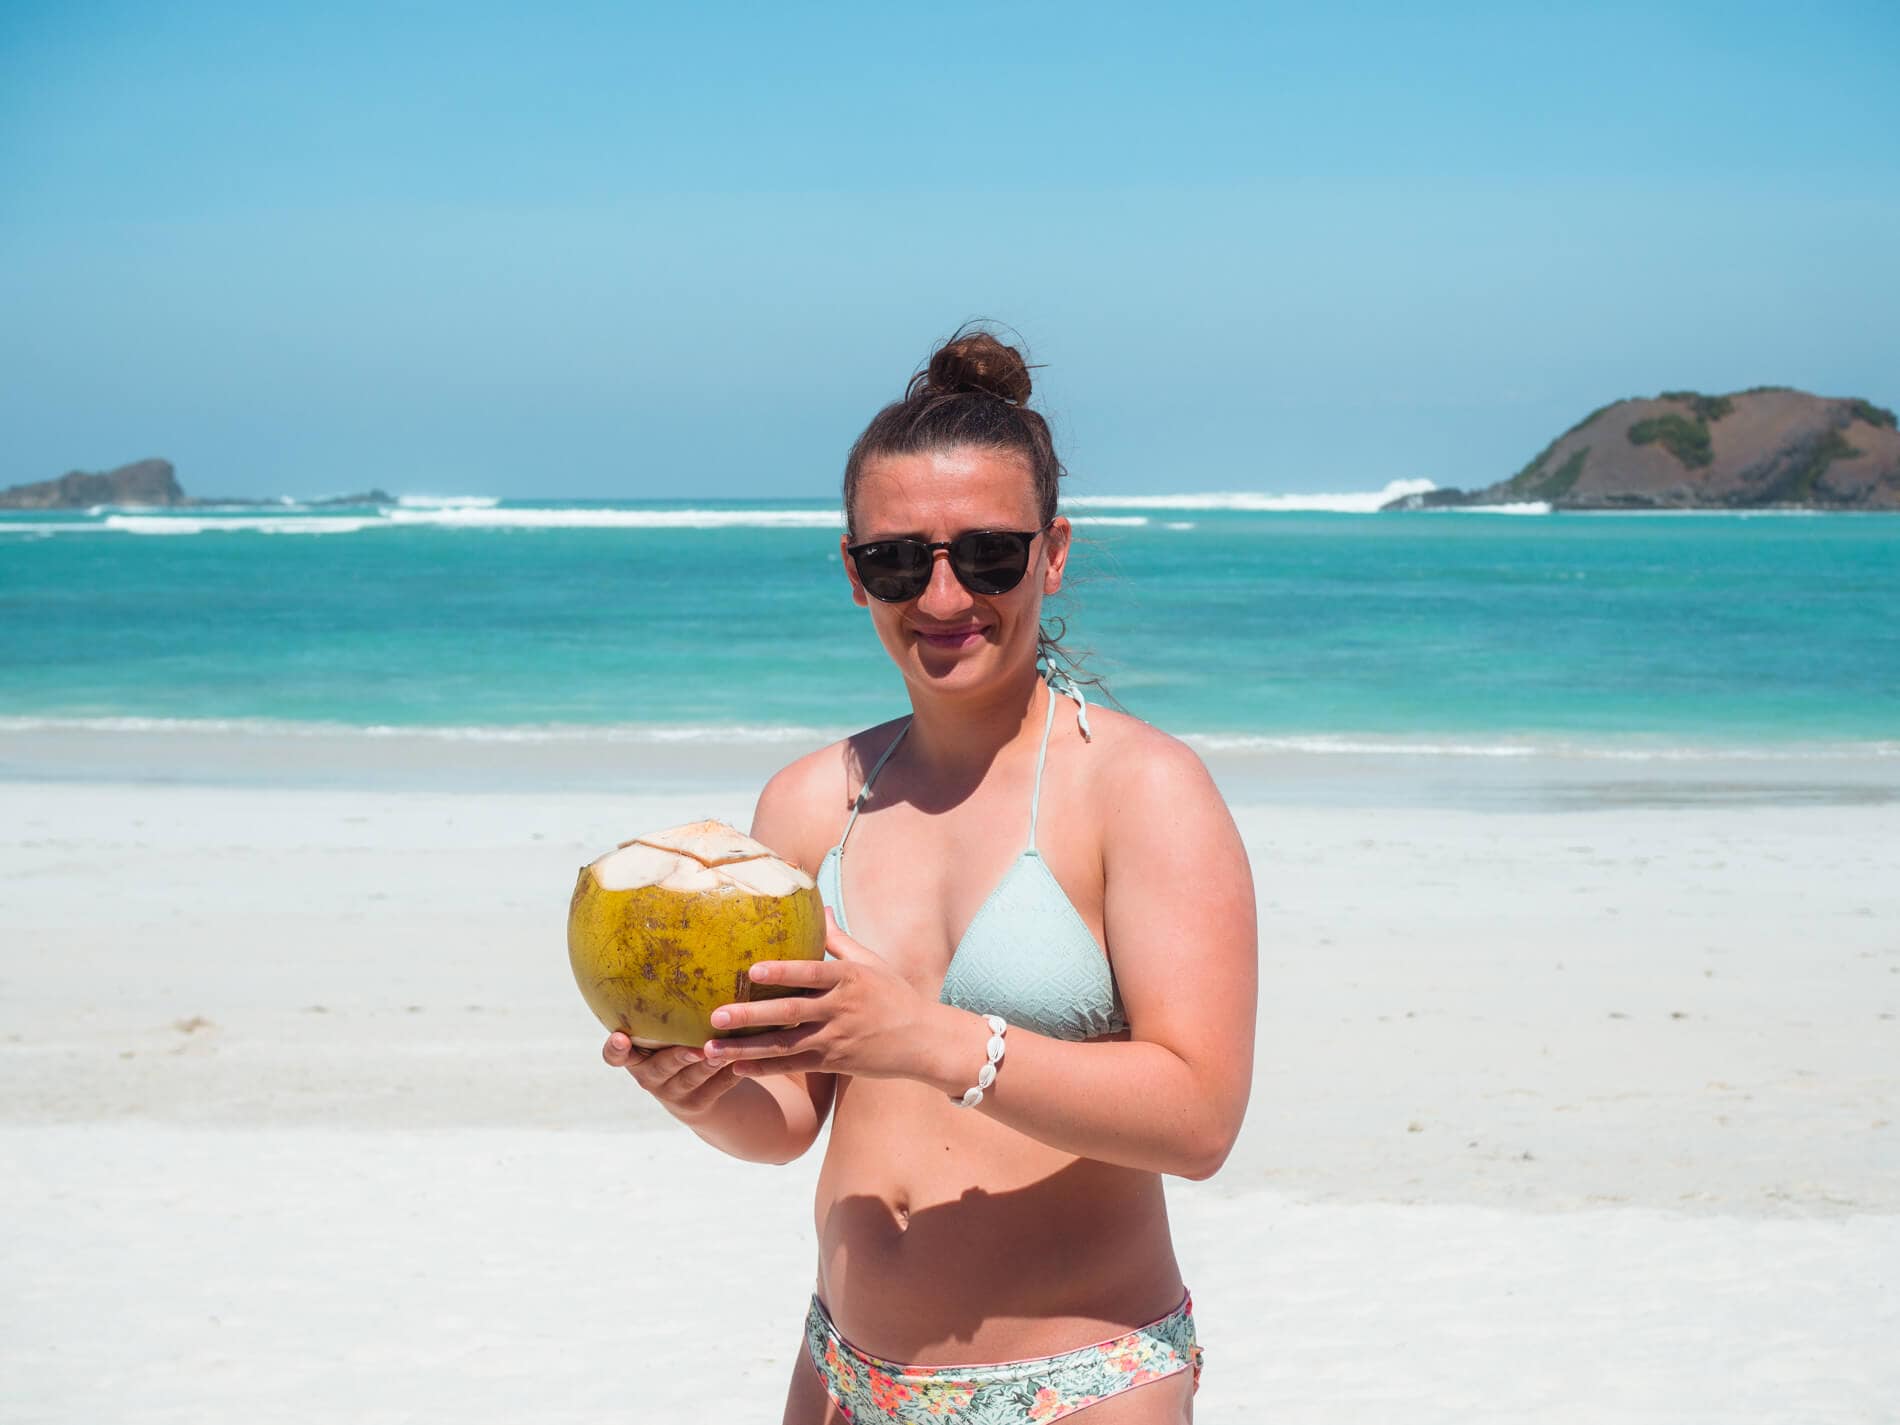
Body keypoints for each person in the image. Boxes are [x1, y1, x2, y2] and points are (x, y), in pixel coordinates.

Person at [601, 328, 1258, 1423]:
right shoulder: (814, 802)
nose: (944, 596)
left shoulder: (1139, 789)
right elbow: (787, 1119)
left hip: (1075, 1386)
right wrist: (702, 1095)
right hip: (846, 1374)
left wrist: (928, 1038)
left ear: (1051, 555)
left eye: (987, 554)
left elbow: (1199, 1122)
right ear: (854, 574)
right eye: (899, 560)